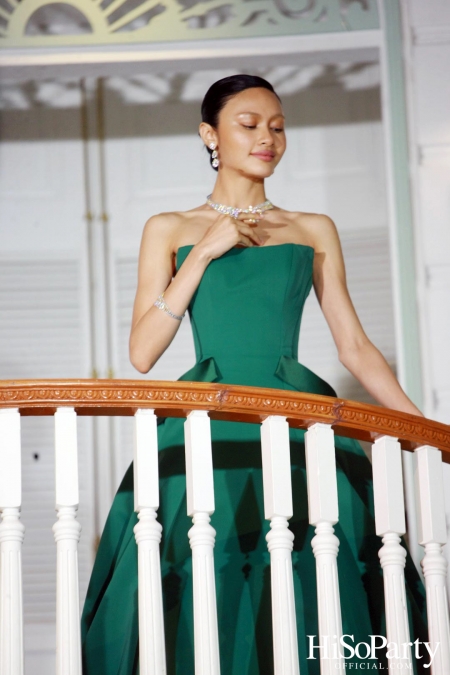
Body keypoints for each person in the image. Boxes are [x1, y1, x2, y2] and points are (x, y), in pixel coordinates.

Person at [81, 74, 427, 675]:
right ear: (209, 134)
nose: (267, 137)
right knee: (203, 568)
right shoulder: (168, 228)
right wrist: (207, 252)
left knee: (315, 564)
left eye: (277, 125)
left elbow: (355, 347)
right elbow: (142, 352)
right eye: (248, 124)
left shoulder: (313, 227)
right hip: (205, 423)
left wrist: (421, 426)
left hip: (301, 419)